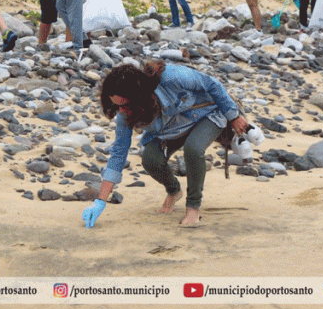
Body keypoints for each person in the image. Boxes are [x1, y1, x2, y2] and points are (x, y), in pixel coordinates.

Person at [82, 61, 249, 228]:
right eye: (115, 105)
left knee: (193, 149)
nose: (121, 111)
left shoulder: (172, 76)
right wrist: (100, 202)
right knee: (150, 159)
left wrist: (233, 116)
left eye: (124, 105)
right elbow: (118, 153)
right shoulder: (124, 114)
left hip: (206, 115)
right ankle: (174, 191)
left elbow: (212, 84)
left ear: (139, 97)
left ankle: (192, 208)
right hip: (170, 130)